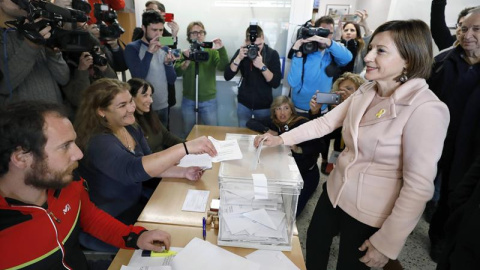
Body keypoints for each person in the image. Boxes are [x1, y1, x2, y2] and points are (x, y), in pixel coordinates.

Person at [254, 20, 449, 269]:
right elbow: (324, 124)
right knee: (315, 243)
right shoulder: (366, 90)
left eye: (381, 51)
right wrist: (280, 139)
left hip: (371, 211)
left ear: (409, 59)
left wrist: (388, 242)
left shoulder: (427, 109)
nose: (368, 56)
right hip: (335, 193)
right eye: (370, 48)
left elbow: (418, 186)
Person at [0, 101, 172, 269]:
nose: (79, 154)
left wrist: (135, 237)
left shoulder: (68, 182)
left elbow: (89, 217)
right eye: (65, 146)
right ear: (21, 158)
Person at [74, 78, 217, 251]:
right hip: (111, 219)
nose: (131, 108)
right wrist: (185, 148)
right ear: (101, 111)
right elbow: (135, 169)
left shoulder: (130, 127)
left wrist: (183, 172)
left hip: (134, 206)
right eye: (122, 106)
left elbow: (150, 163)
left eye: (130, 102)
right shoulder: (98, 142)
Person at [428, 7, 480, 262]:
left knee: (454, 196)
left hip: (470, 151)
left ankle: (442, 240)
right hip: (436, 142)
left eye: (477, 29)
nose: (467, 34)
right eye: (463, 28)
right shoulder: (442, 62)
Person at [288, 16, 352, 175]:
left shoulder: (333, 52)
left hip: (321, 106)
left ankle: (312, 169)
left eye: (328, 32)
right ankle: (294, 170)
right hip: (299, 106)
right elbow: (293, 82)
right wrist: (298, 53)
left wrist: (329, 43)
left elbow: (348, 58)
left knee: (317, 142)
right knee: (297, 141)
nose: (324, 36)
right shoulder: (307, 50)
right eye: (320, 32)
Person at [246, 96, 321, 216]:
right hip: (284, 171)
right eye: (278, 109)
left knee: (291, 211)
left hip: (306, 173)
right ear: (274, 112)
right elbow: (250, 122)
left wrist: (298, 149)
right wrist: (267, 130)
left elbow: (319, 146)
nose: (282, 112)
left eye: (286, 108)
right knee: (263, 200)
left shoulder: (301, 122)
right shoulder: (275, 122)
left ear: (291, 110)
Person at [0, 0, 70, 107]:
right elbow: (4, 86)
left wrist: (52, 54)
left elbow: (64, 79)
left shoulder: (37, 29)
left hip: (55, 115)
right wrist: (30, 47)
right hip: (22, 121)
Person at [174, 21, 229, 135]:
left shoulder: (212, 52)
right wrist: (187, 59)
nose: (198, 35)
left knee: (212, 133)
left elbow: (223, 67)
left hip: (208, 100)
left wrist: (221, 49)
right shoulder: (184, 52)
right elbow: (177, 72)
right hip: (189, 100)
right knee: (188, 132)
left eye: (201, 32)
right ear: (189, 36)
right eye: (194, 32)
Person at [125, 10, 177, 127]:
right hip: (143, 106)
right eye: (154, 30)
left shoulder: (163, 47)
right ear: (144, 28)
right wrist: (149, 52)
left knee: (164, 140)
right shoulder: (132, 48)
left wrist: (168, 64)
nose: (158, 35)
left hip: (163, 104)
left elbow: (172, 79)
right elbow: (139, 76)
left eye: (161, 30)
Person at [224, 24, 282, 127]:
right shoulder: (242, 53)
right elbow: (227, 76)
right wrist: (238, 58)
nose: (256, 49)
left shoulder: (272, 54)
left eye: (259, 45)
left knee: (262, 138)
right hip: (244, 105)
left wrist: (262, 66)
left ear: (263, 38)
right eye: (252, 45)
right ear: (246, 42)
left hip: (264, 107)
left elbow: (275, 83)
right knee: (243, 136)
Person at [309, 72, 365, 174]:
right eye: (341, 91)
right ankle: (326, 162)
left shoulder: (367, 110)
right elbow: (323, 133)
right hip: (339, 153)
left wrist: (350, 110)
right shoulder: (338, 109)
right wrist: (315, 112)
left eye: (349, 89)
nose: (344, 94)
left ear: (361, 90)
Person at [128, 78, 184, 152]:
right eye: (145, 96)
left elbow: (167, 137)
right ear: (131, 98)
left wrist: (190, 144)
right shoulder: (130, 125)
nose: (151, 100)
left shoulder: (149, 115)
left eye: (150, 95)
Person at [338, 10, 373, 74]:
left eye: (352, 30)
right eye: (346, 30)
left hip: (355, 80)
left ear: (357, 33)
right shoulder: (337, 46)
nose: (348, 32)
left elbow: (369, 40)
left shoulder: (361, 47)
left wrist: (365, 25)